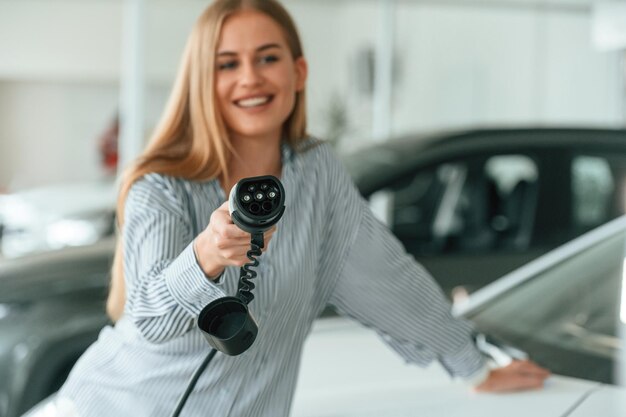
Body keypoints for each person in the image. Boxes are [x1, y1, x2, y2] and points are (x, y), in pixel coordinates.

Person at [24, 0, 549, 416]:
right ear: (203, 83)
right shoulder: (162, 184)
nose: (250, 77)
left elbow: (385, 279)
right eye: (227, 64)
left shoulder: (318, 174)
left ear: (298, 72)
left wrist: (472, 365)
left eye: (267, 57)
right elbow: (148, 321)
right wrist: (205, 256)